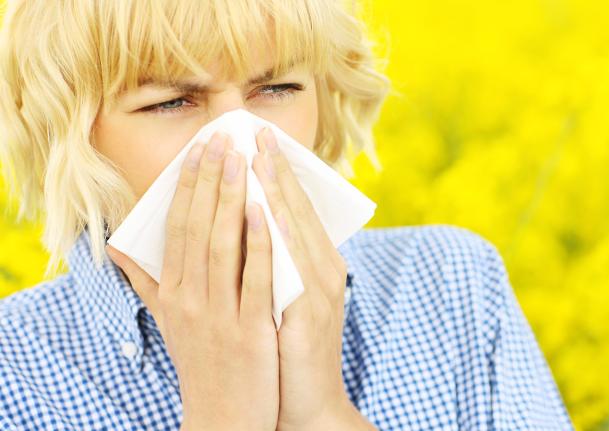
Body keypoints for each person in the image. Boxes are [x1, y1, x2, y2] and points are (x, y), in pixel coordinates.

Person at [0, 0, 574, 430]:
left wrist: (322, 412)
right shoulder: (17, 367)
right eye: (170, 102)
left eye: (277, 88)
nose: (241, 142)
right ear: (69, 137)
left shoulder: (451, 285)